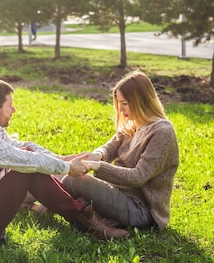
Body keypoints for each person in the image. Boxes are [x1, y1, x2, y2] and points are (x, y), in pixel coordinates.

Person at [0, 79, 129, 246]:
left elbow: (24, 148)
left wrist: (62, 159)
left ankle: (84, 218)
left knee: (29, 161)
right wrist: (68, 169)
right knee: (27, 170)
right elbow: (26, 161)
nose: (14, 110)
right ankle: (86, 222)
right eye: (9, 106)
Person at [60, 70, 179, 231]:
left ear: (141, 100)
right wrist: (98, 155)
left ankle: (45, 209)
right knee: (61, 172)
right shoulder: (134, 124)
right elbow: (109, 147)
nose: (121, 109)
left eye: (124, 103)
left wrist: (97, 166)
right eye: (119, 104)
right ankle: (86, 215)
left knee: (74, 180)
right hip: (119, 195)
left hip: (142, 210)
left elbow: (138, 177)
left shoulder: (162, 132)